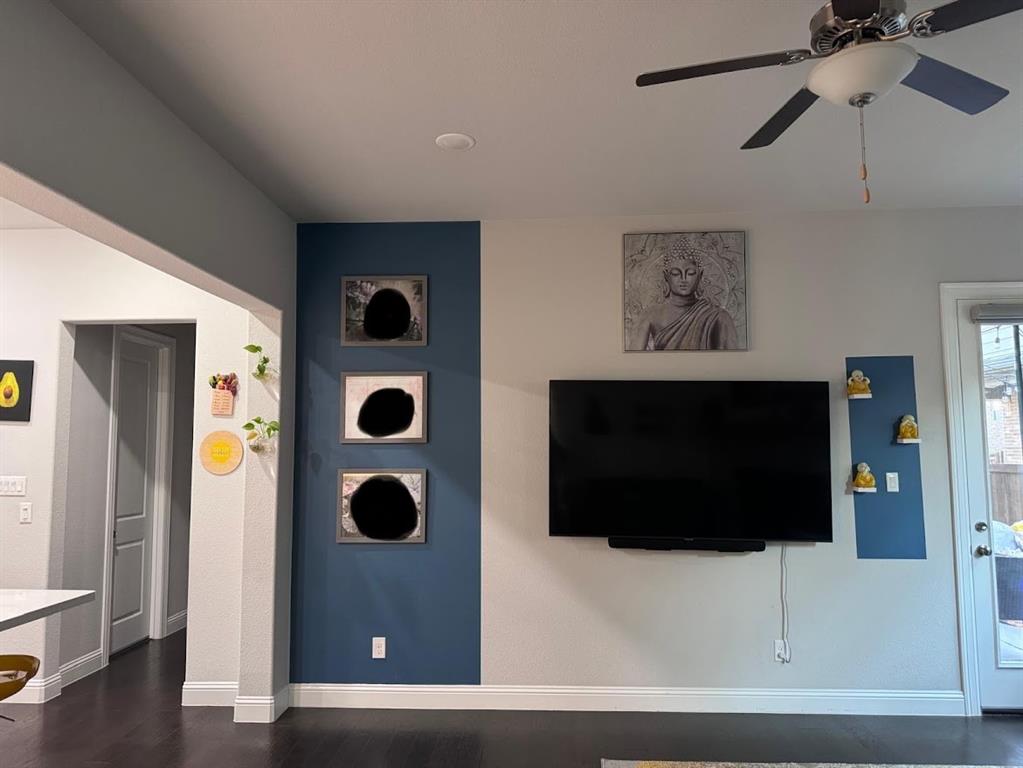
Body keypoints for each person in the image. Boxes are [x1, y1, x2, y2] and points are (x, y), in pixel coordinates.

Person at [630, 244, 738, 350]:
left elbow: (729, 361)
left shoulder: (718, 317)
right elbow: (634, 359)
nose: (684, 279)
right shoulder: (649, 315)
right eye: (676, 273)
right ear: (666, 276)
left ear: (700, 275)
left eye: (690, 273)